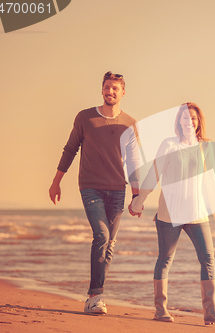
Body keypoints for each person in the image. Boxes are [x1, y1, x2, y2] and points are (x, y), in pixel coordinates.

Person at [48, 71, 140, 314]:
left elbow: (133, 161)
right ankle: (95, 296)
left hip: (118, 189)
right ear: (102, 90)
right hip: (90, 186)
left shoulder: (129, 124)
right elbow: (70, 149)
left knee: (109, 242)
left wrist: (138, 195)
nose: (110, 91)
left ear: (122, 92)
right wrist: (56, 181)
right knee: (101, 235)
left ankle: (94, 296)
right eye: (107, 87)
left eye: (115, 88)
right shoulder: (85, 118)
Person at [129, 102, 215, 325]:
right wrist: (139, 201)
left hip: (197, 213)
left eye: (193, 118)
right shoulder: (168, 145)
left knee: (208, 259)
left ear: (198, 122)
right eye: (185, 118)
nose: (189, 122)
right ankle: (160, 309)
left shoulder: (205, 147)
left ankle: (211, 311)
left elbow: (211, 180)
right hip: (169, 214)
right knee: (165, 259)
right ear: (178, 121)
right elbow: (153, 174)